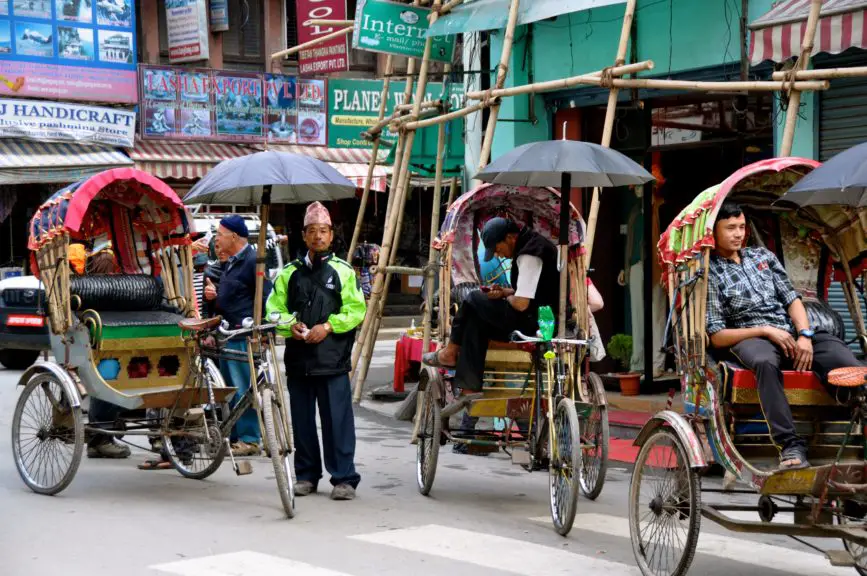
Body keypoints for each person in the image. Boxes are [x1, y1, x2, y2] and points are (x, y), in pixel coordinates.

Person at [707, 201, 865, 470]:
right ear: (714, 232)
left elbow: (793, 300)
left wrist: (804, 335)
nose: (738, 234)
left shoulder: (763, 258)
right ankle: (790, 444)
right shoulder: (710, 270)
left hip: (790, 332)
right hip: (749, 337)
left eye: (742, 227)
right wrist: (765, 330)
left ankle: (847, 399)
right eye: (730, 228)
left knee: (838, 352)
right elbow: (717, 335)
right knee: (765, 362)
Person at [266, 202, 366, 501]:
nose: (318, 237)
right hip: (299, 360)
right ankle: (307, 476)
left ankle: (344, 478)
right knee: (303, 421)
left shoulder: (344, 271)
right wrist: (290, 325)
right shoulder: (288, 273)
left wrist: (330, 327)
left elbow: (356, 310)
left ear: (331, 235)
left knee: (337, 420)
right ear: (304, 236)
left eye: (323, 231)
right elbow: (274, 310)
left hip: (332, 358)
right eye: (312, 232)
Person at [423, 217, 560, 407]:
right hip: (533, 317)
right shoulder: (528, 248)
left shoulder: (530, 254)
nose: (499, 254)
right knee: (476, 320)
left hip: (537, 324)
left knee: (473, 297)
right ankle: (469, 388)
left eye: (497, 248)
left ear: (511, 238)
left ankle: (451, 350)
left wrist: (505, 298)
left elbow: (521, 304)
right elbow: (530, 292)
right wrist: (505, 292)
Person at [204, 215, 271, 457]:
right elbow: (234, 293)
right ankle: (234, 436)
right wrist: (217, 294)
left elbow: (265, 297)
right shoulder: (231, 262)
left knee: (243, 388)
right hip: (227, 334)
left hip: (243, 335)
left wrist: (262, 329)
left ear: (234, 236)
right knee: (230, 390)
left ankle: (250, 439)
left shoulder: (252, 261)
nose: (217, 239)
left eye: (220, 234)